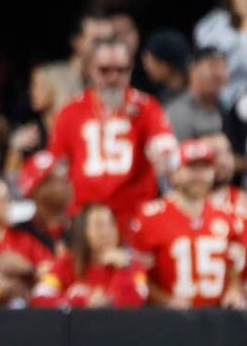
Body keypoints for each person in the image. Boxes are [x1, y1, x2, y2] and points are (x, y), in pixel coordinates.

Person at [47, 36, 177, 235]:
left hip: (135, 218)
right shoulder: (70, 111)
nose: (113, 77)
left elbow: (165, 147)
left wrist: (163, 156)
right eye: (105, 70)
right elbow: (56, 165)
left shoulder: (146, 107)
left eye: (121, 70)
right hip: (85, 221)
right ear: (90, 68)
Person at [129, 138, 246, 309]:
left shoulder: (230, 216)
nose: (198, 175)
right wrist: (165, 300)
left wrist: (234, 290)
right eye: (191, 167)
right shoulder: (149, 217)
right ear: (174, 174)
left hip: (218, 320)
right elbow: (138, 275)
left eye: (204, 167)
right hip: (169, 321)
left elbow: (236, 265)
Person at [31, 203, 147, 308]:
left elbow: (134, 304)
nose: (107, 232)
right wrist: (83, 302)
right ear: (83, 231)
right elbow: (39, 298)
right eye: (99, 225)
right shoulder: (65, 263)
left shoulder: (132, 265)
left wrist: (122, 268)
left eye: (111, 224)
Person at [0, 175, 51, 306]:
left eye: (8, 199)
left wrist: (27, 269)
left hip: (19, 317)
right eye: (1, 200)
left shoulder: (22, 240)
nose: (8, 204)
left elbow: (53, 271)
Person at [3, 63, 76, 175]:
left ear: (56, 87)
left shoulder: (76, 126)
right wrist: (15, 149)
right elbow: (11, 179)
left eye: (37, 85)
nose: (31, 91)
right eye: (31, 85)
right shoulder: (31, 131)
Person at [194, 0, 247, 108]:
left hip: (245, 100)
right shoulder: (215, 21)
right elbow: (206, 55)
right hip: (217, 98)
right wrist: (243, 32)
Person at [14, 150, 73, 256]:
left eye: (65, 176)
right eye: (53, 179)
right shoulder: (19, 234)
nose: (66, 182)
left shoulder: (81, 227)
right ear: (35, 191)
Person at [166, 47, 229, 141]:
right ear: (193, 69)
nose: (219, 74)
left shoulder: (228, 110)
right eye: (212, 66)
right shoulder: (178, 112)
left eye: (223, 66)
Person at [141, 29, 191, 105]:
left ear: (165, 65)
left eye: (150, 63)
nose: (146, 68)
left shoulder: (198, 94)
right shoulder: (162, 96)